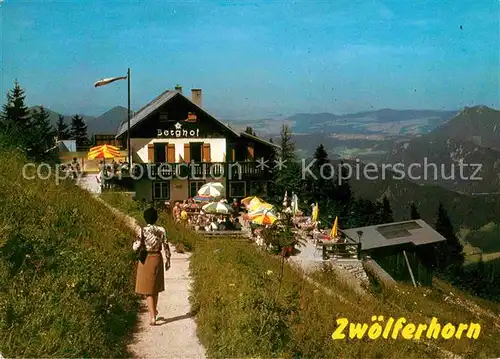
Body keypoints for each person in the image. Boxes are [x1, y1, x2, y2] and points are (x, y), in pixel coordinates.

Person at [132, 207, 171, 326]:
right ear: (156, 218)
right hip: (157, 257)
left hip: (146, 259)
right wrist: (168, 260)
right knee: (155, 288)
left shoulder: (142, 230)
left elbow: (136, 247)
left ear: (145, 218)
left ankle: (152, 316)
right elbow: (166, 246)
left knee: (148, 290)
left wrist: (133, 245)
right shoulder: (161, 230)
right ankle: (154, 310)